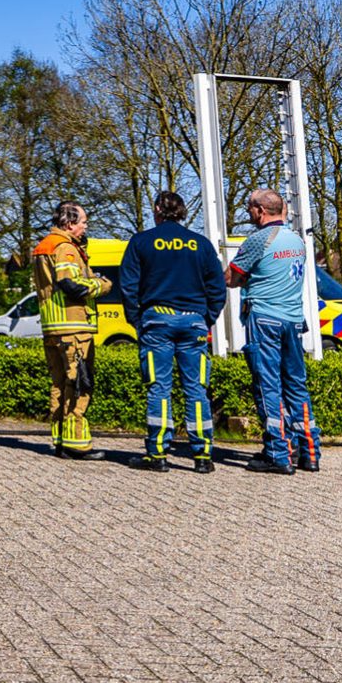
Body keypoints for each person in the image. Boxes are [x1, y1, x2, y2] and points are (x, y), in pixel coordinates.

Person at [118, 192, 227, 474]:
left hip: (157, 322)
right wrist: (207, 318)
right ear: (183, 213)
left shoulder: (141, 242)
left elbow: (128, 287)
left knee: (159, 388)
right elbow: (217, 288)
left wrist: (137, 322)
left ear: (157, 210)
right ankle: (203, 456)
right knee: (196, 390)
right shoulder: (200, 244)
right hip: (194, 324)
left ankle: (157, 455)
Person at [228, 188, 319, 475]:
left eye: (249, 209)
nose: (248, 214)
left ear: (260, 211)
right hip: (293, 320)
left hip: (264, 319)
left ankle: (278, 454)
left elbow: (231, 278)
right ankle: (310, 452)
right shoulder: (298, 241)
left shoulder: (258, 240)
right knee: (296, 385)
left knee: (268, 386)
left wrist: (249, 280)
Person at [32, 201, 112, 461]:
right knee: (79, 384)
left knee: (58, 385)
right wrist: (101, 285)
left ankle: (60, 441)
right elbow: (70, 283)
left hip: (52, 327)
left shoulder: (44, 245)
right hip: (73, 327)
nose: (86, 227)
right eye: (83, 222)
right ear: (69, 224)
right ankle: (77, 445)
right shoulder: (65, 247)